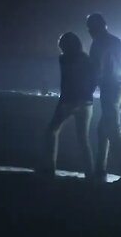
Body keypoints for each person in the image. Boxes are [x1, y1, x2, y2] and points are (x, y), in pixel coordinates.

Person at [87, 13, 121, 184]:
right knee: (103, 129)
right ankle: (100, 169)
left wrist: (88, 90)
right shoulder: (117, 41)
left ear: (93, 28)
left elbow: (96, 71)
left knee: (113, 130)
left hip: (110, 89)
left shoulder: (97, 43)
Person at [40, 32, 95, 179]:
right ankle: (90, 172)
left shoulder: (64, 59)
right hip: (87, 101)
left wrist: (63, 100)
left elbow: (66, 82)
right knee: (83, 138)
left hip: (69, 101)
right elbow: (93, 80)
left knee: (52, 131)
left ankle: (49, 167)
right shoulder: (87, 59)